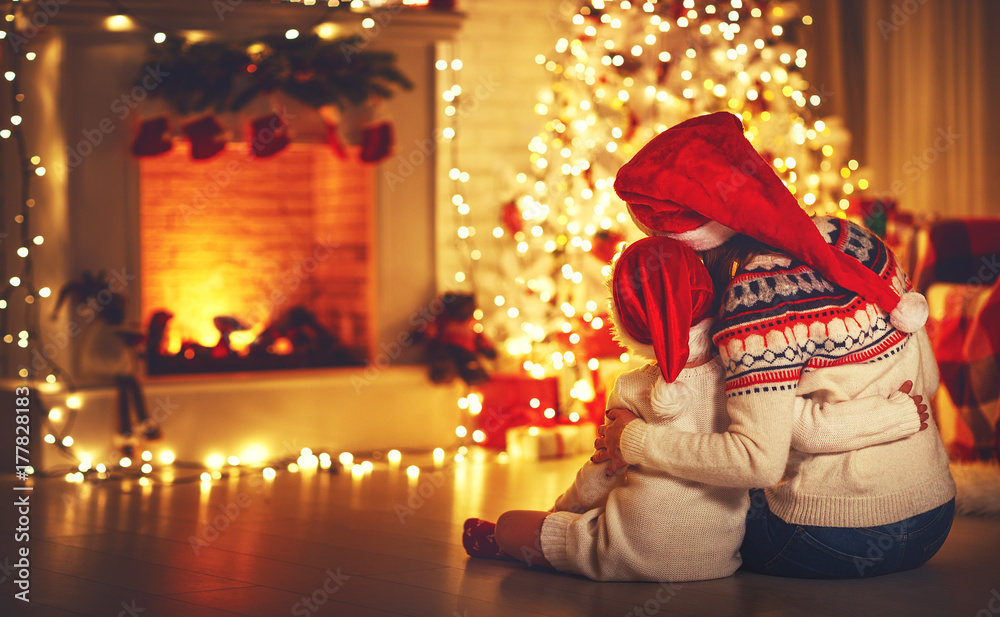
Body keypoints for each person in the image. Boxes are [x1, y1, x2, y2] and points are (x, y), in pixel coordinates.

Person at [596, 111, 955, 579]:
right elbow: (925, 380)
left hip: (833, 534)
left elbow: (756, 460)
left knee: (675, 520)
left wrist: (635, 440)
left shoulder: (754, 297)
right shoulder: (850, 238)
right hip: (932, 514)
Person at [463, 236, 927, 581]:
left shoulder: (630, 390)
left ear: (625, 323)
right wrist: (899, 414)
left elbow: (601, 474)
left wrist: (562, 512)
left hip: (621, 548)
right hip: (718, 559)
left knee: (516, 528)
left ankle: (511, 542)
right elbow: (810, 428)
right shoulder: (746, 370)